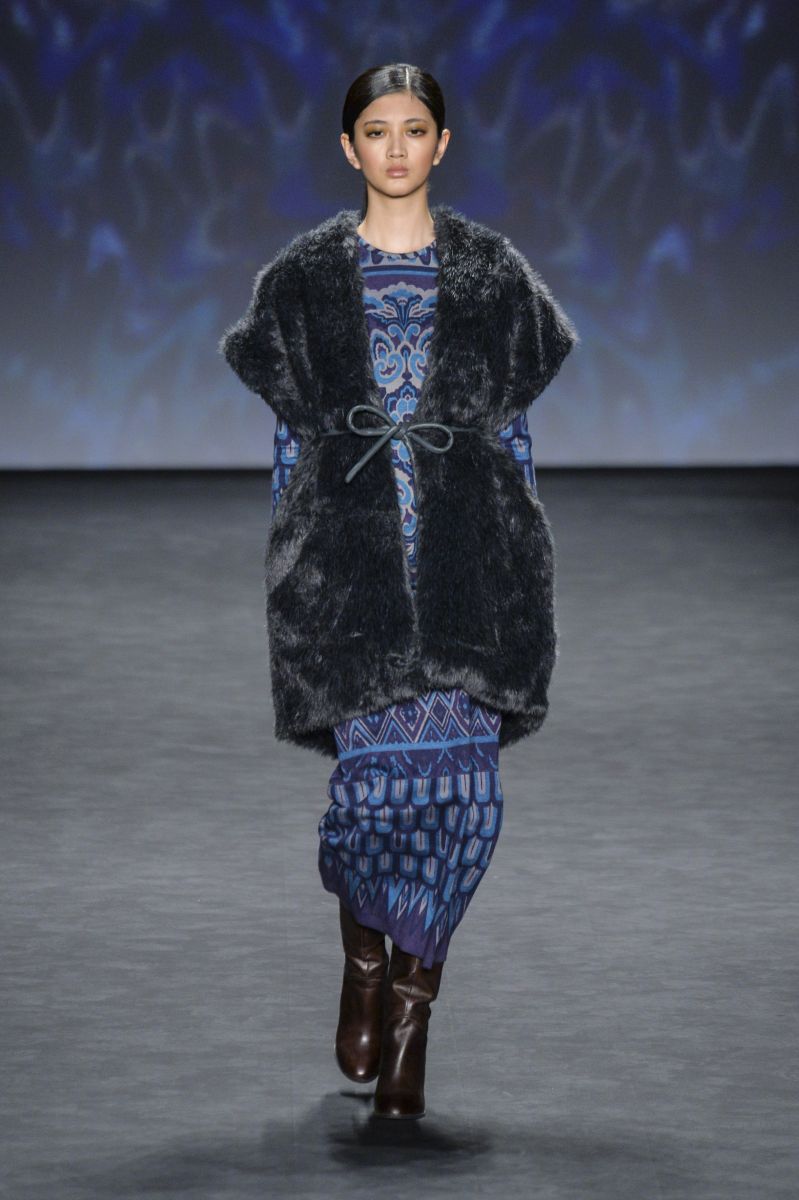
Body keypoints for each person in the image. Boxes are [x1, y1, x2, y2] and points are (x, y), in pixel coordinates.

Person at [220, 63, 578, 1121]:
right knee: (367, 807)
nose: (394, 148)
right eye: (374, 130)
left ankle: (413, 1021)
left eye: (413, 129)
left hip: (469, 574)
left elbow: (515, 441)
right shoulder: (301, 282)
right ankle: (365, 953)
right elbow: (291, 451)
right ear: (348, 147)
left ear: (441, 142)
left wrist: (518, 565)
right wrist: (297, 574)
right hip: (354, 583)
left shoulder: (491, 276)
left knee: (465, 804)